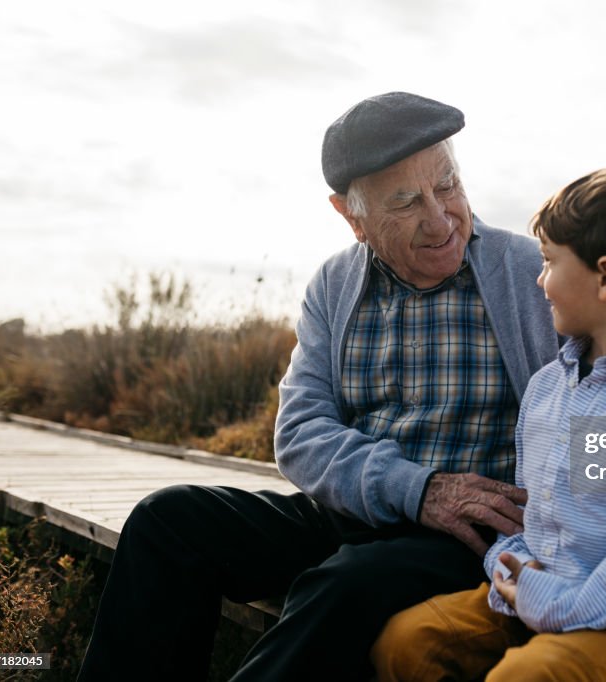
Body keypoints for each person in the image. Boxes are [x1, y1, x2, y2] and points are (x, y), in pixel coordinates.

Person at [77, 92, 559, 681]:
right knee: (166, 520)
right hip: (354, 511)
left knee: (345, 585)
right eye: (406, 202)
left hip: (467, 537)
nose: (439, 218)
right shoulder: (335, 284)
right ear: (350, 215)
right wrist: (417, 487)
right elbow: (301, 434)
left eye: (448, 185)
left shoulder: (532, 274)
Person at [371, 163, 606, 682]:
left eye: (549, 262)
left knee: (527, 677)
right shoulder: (545, 390)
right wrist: (508, 567)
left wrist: (548, 600)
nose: (540, 281)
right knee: (408, 643)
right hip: (531, 599)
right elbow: (534, 519)